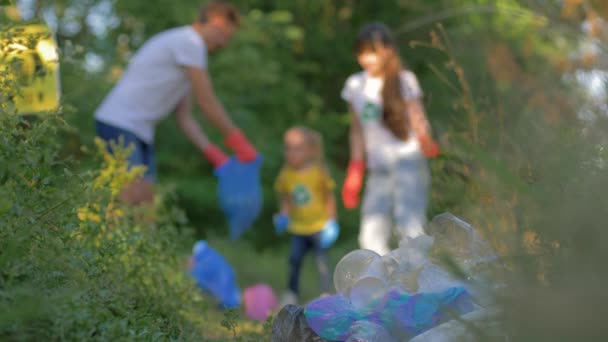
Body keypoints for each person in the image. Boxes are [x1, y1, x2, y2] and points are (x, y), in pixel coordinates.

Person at [94, 0, 256, 205]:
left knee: (146, 202)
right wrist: (236, 140)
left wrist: (215, 155)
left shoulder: (189, 59)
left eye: (228, 37)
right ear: (208, 21)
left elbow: (185, 118)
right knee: (128, 197)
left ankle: (142, 238)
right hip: (119, 122)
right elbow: (206, 101)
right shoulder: (190, 42)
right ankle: (104, 236)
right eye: (221, 32)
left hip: (140, 130)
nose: (223, 42)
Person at [340, 22, 440, 256]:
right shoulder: (355, 84)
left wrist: (426, 139)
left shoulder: (404, 80)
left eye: (372, 51)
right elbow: (356, 130)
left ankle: (417, 282)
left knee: (410, 227)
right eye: (362, 52)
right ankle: (382, 286)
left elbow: (417, 116)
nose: (366, 58)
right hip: (378, 166)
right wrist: (355, 167)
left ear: (388, 50)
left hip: (408, 160)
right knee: (370, 235)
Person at [273, 126, 338, 305]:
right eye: (288, 148)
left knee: (321, 262)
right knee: (294, 260)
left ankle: (326, 293)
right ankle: (291, 292)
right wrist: (283, 216)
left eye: (298, 149)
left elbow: (329, 197)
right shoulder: (286, 175)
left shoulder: (319, 172)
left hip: (319, 226)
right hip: (298, 228)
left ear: (309, 151)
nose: (292, 153)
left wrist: (332, 222)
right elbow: (286, 199)